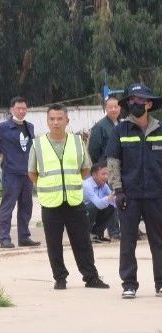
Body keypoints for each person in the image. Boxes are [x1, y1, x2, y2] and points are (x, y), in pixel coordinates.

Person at [28, 104, 109, 290]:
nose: (56, 123)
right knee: (54, 244)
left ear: (67, 120)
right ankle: (60, 278)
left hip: (74, 200)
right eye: (52, 119)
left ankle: (91, 277)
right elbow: (32, 172)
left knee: (83, 242)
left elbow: (86, 168)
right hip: (51, 202)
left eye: (59, 119)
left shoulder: (77, 142)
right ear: (47, 121)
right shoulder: (38, 144)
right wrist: (48, 185)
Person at [105, 83, 162, 299]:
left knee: (159, 241)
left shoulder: (160, 129)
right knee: (127, 241)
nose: (134, 104)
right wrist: (117, 190)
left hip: (157, 196)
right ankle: (129, 284)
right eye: (131, 100)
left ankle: (161, 283)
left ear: (148, 104)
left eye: (139, 100)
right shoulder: (120, 130)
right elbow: (112, 162)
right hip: (129, 196)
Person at [0, 96, 40, 249]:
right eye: (18, 108)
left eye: (24, 108)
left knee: (26, 206)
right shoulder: (3, 127)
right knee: (8, 206)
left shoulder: (30, 127)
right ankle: (4, 238)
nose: (22, 111)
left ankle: (24, 236)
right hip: (11, 172)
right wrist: (1, 150)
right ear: (11, 109)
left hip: (26, 172)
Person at [83, 163, 117, 243]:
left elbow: (114, 201)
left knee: (110, 207)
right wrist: (109, 198)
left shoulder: (104, 185)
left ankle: (96, 234)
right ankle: (85, 235)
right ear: (94, 175)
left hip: (94, 210)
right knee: (93, 206)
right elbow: (98, 204)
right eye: (103, 174)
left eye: (107, 174)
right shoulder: (87, 185)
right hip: (80, 214)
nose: (106, 177)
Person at [88, 95, 122, 165]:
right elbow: (94, 151)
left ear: (120, 108)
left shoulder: (122, 125)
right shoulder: (99, 127)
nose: (113, 109)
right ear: (106, 109)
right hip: (105, 167)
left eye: (116, 107)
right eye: (110, 107)